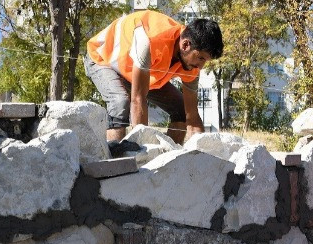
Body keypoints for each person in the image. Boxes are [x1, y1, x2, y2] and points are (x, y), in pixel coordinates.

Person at [84, 10, 223, 145]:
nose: (201, 66)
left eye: (205, 60)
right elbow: (138, 100)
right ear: (185, 44)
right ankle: (113, 164)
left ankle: (170, 162)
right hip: (102, 59)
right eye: (200, 58)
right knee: (120, 102)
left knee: (181, 109)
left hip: (136, 71)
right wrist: (144, 152)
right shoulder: (150, 41)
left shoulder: (192, 63)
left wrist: (203, 156)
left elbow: (192, 117)